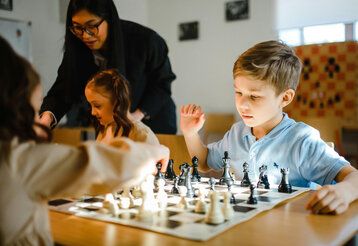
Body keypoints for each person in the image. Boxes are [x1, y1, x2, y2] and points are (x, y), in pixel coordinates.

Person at [0, 35, 169, 245]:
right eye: (35, 112)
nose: (38, 121)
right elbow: (102, 164)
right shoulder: (18, 159)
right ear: (15, 111)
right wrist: (158, 152)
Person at [180, 40, 358, 215]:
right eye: (238, 92)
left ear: (285, 98)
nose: (242, 104)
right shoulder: (236, 133)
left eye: (254, 97)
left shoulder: (302, 140)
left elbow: (354, 177)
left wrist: (345, 191)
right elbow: (203, 163)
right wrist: (190, 133)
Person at [40, 0, 177, 134]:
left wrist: (134, 117)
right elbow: (63, 90)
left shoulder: (145, 40)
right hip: (111, 126)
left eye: (92, 25)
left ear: (109, 18)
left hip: (153, 122)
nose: (85, 35)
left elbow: (162, 84)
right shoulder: (77, 47)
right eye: (77, 27)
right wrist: (46, 120)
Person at [85, 69, 159, 145]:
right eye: (91, 105)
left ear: (117, 101)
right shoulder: (106, 128)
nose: (92, 112)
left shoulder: (142, 136)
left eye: (97, 106)